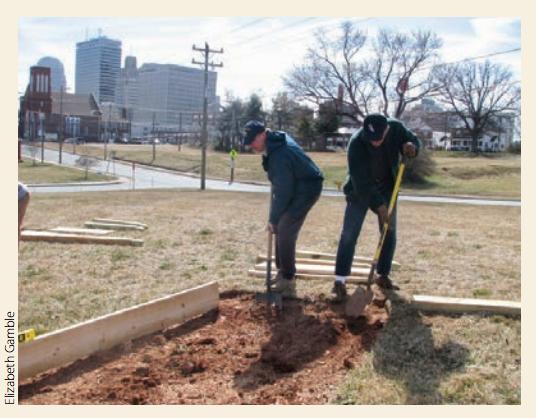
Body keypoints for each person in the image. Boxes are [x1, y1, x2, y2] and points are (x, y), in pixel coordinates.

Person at [332, 114, 421, 302]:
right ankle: (339, 281)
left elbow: (413, 140)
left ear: (387, 129)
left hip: (388, 188)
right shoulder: (356, 144)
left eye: (379, 138)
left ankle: (382, 275)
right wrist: (380, 208)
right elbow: (361, 183)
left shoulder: (396, 128)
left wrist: (413, 147)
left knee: (389, 231)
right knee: (349, 234)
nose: (375, 143)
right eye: (371, 139)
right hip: (359, 191)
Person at [243, 120, 324, 298]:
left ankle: (287, 277)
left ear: (263, 134)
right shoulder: (275, 141)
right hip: (296, 182)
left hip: (307, 188)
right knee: (281, 225)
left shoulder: (280, 154)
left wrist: (272, 219)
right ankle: (282, 271)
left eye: (253, 140)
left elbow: (283, 192)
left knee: (285, 227)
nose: (250, 145)